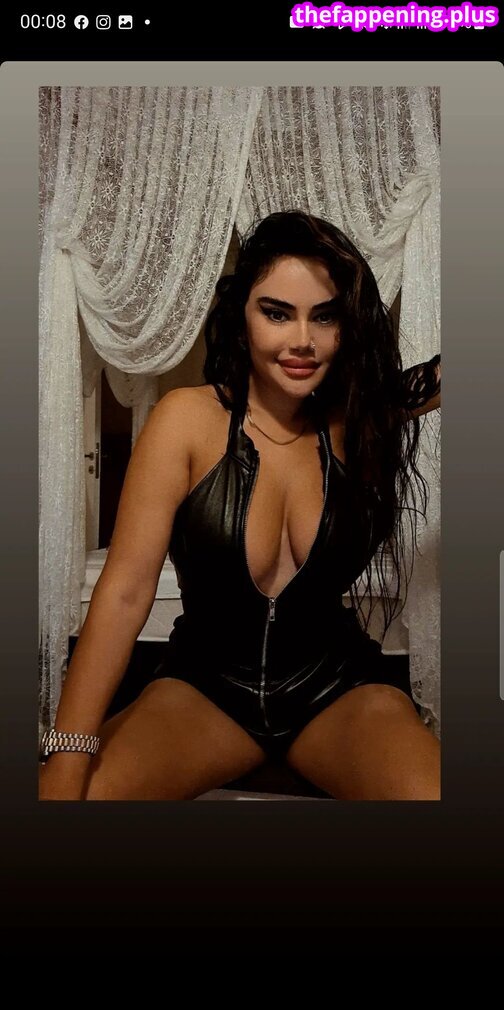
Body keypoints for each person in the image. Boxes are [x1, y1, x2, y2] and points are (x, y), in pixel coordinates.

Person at [39, 210, 441, 801]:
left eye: (324, 316)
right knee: (77, 798)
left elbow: (438, 378)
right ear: (242, 316)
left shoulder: (359, 418)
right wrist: (68, 754)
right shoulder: (186, 421)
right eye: (276, 313)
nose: (301, 340)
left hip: (334, 690)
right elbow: (124, 592)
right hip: (205, 692)